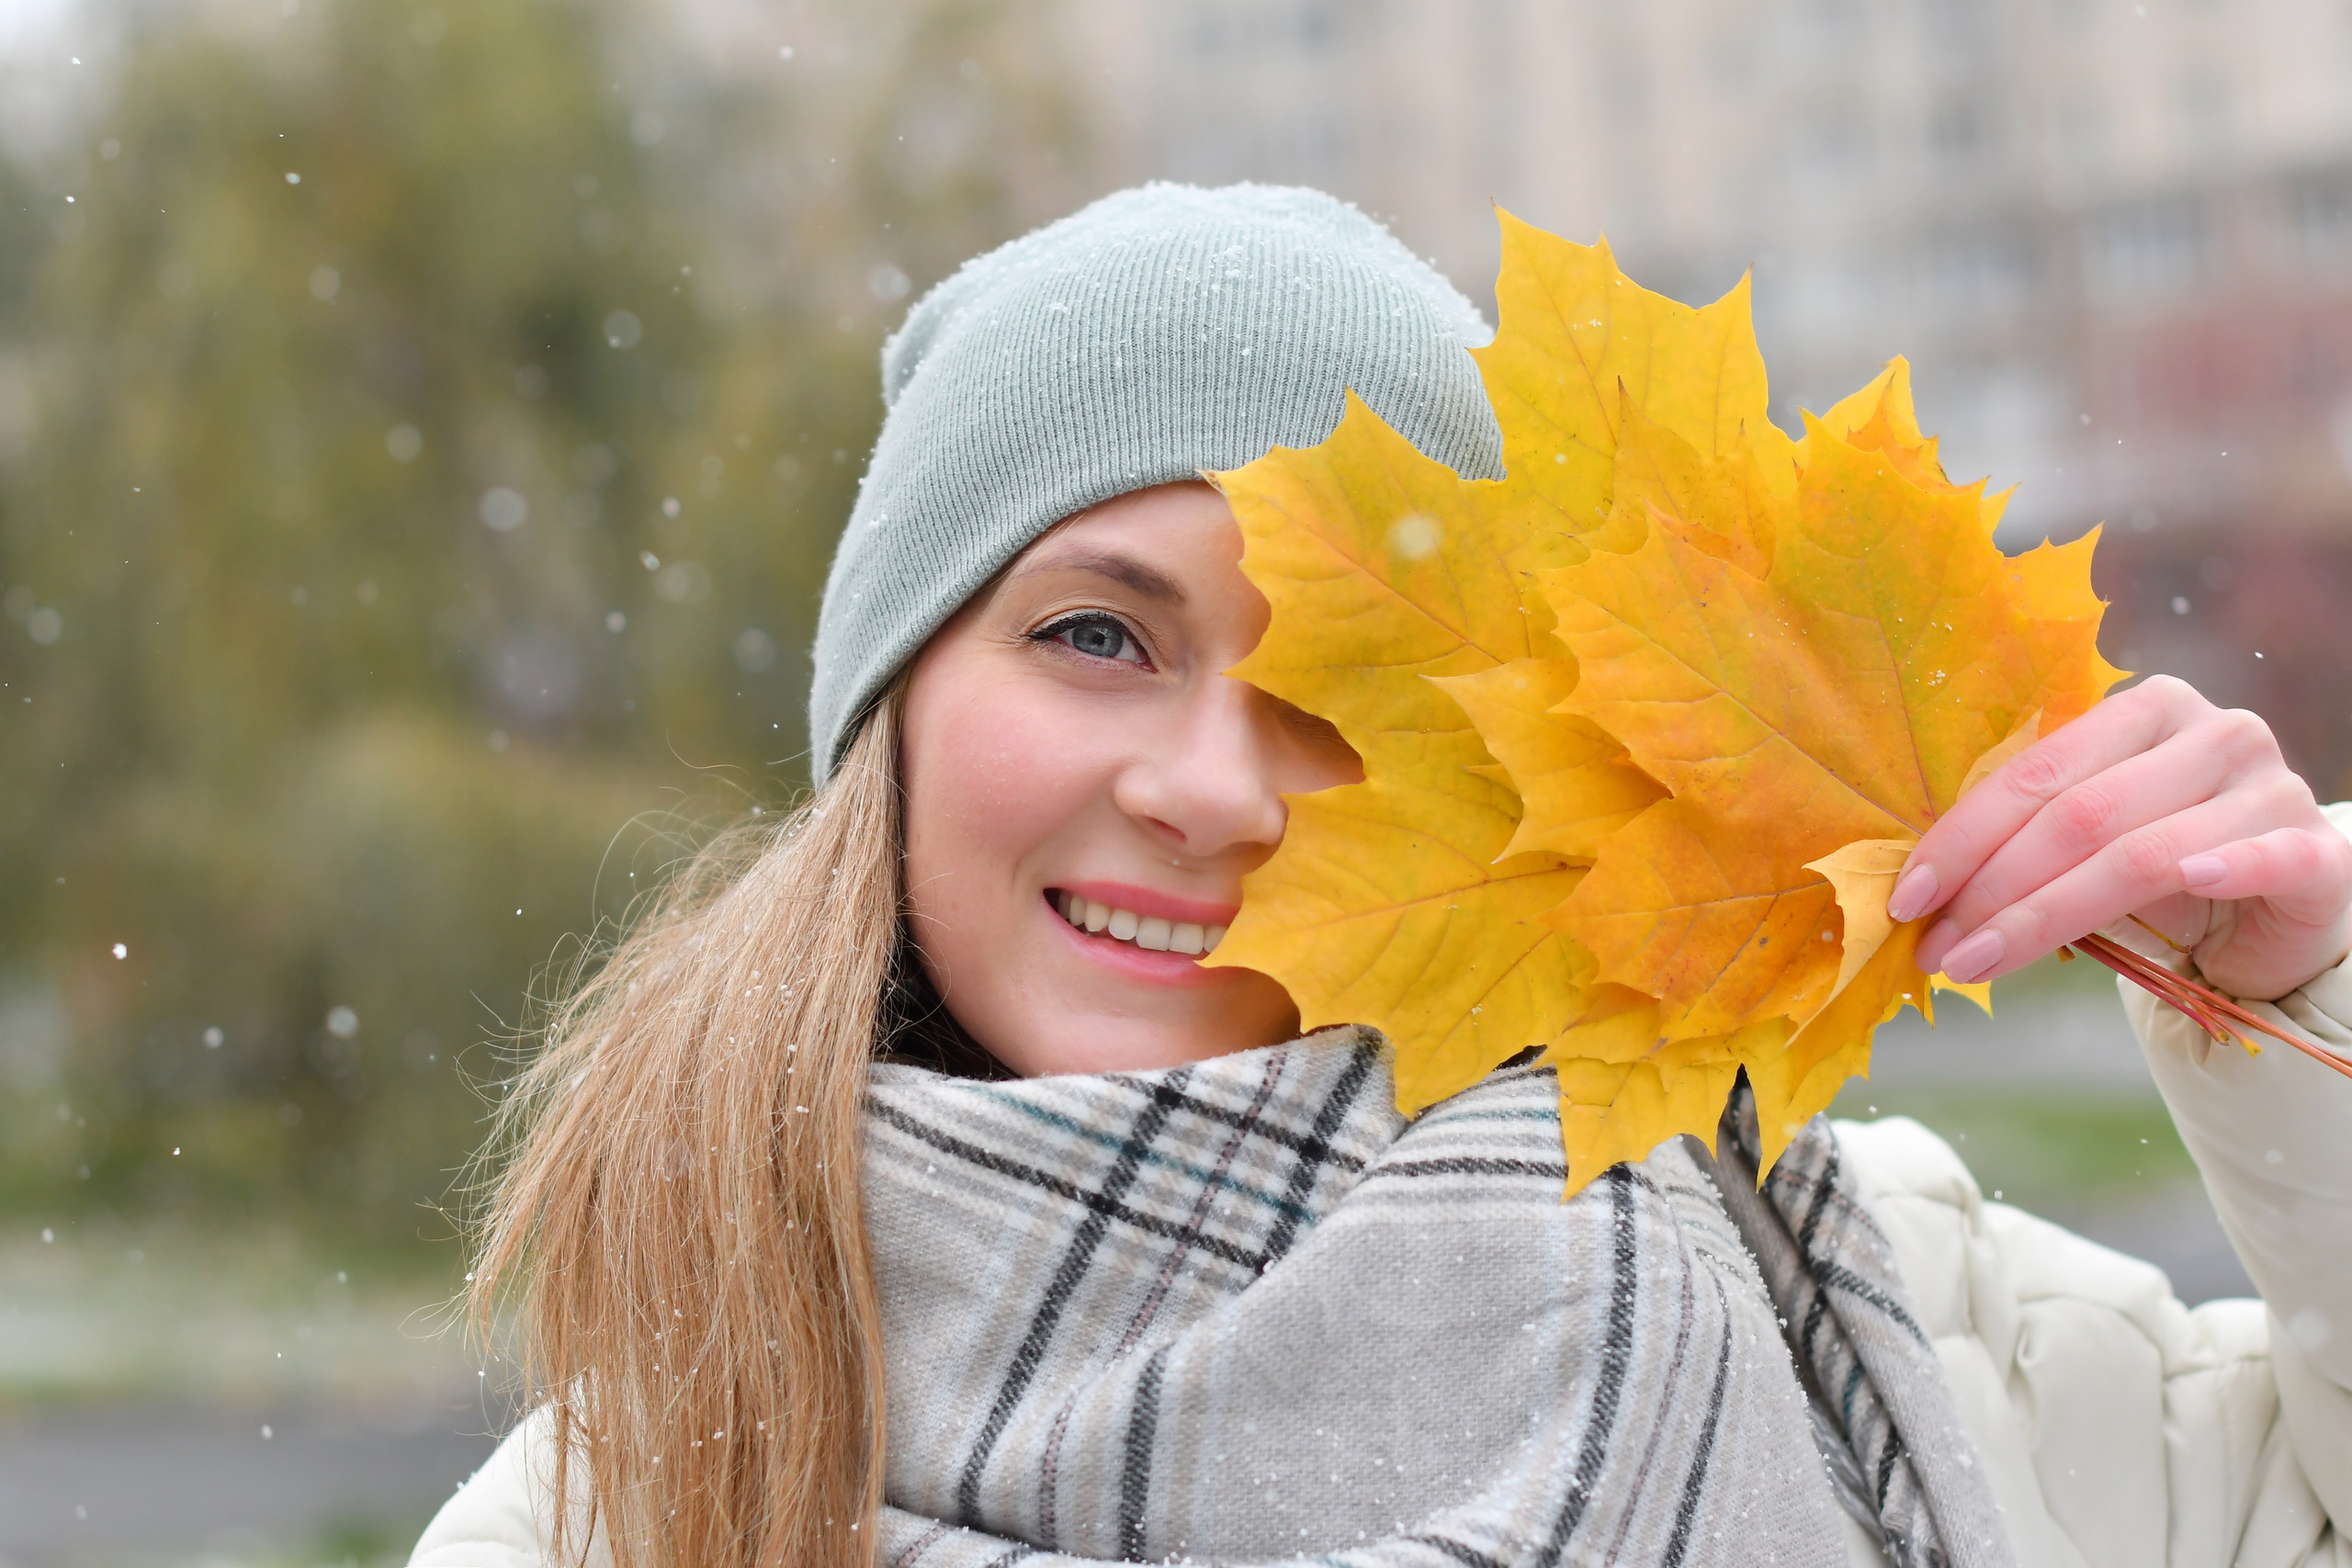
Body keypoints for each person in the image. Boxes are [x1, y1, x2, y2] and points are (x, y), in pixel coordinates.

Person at [409, 185, 2352, 1568]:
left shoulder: (1898, 1311)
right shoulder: (622, 1514)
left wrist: (2306, 997)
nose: (1211, 788)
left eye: (1347, 687)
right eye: (1096, 634)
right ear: (893, 714)